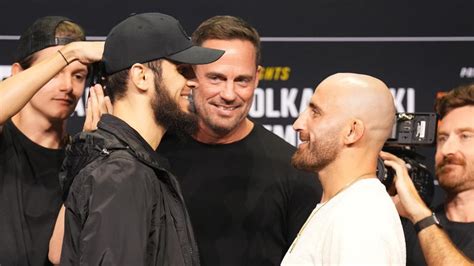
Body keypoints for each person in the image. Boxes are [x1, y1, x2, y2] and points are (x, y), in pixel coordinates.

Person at [59, 12, 224, 265]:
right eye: (182, 70)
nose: (194, 82)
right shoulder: (121, 175)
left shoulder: (132, 166)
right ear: (141, 76)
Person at [158, 15, 322, 265]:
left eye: (242, 80)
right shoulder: (155, 155)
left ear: (257, 77)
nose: (229, 94)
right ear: (191, 74)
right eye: (216, 78)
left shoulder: (294, 171)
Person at [0, 16, 106, 265]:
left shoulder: (82, 154)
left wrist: (86, 157)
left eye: (79, 76)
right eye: (54, 72)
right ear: (17, 74)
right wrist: (70, 53)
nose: (67, 86)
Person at [281, 73, 406, 265]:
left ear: (351, 132)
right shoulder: (344, 207)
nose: (298, 124)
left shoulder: (360, 220)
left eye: (315, 113)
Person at [381, 83, 474, 266]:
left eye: (465, 136)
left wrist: (419, 214)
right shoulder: (407, 226)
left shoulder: (418, 216)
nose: (447, 149)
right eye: (442, 138)